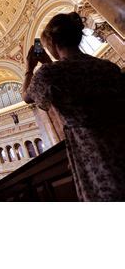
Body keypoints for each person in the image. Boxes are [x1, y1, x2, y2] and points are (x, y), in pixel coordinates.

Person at [22, 12, 125, 201]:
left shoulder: (50, 73)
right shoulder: (108, 67)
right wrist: (49, 64)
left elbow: (27, 96)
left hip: (93, 152)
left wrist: (29, 67)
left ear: (52, 42)